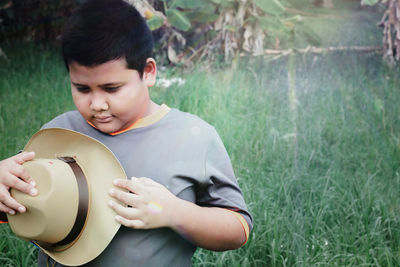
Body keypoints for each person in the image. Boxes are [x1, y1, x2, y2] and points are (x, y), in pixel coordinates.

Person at [0, 0, 253, 266]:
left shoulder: (193, 138)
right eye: (82, 89)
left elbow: (238, 229)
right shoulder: (57, 134)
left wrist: (173, 212)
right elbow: (17, 206)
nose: (97, 104)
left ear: (148, 72)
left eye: (112, 88)